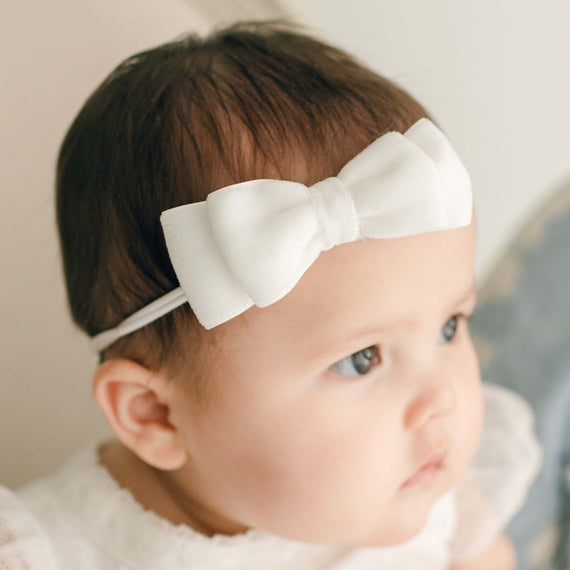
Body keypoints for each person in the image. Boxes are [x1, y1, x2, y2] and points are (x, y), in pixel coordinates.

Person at [0, 20, 541, 570]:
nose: (442, 398)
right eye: (361, 360)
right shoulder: (47, 555)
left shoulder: (430, 489)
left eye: (451, 325)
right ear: (157, 415)